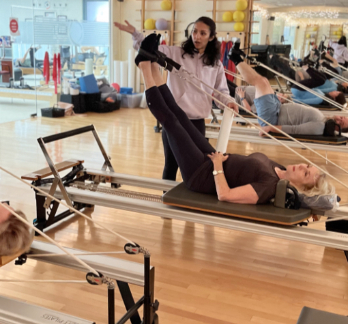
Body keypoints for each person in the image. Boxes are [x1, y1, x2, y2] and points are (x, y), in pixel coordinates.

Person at [136, 59, 334, 205]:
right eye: (307, 165)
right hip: (213, 160)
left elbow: (225, 195)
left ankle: (144, 66)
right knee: (180, 115)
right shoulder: (279, 169)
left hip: (201, 175)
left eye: (305, 173)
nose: (301, 166)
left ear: (300, 187)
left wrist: (217, 166)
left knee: (171, 123)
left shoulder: (270, 186)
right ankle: (153, 66)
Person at [114, 17, 237, 182]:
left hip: (197, 122)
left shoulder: (215, 64)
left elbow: (220, 91)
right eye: (194, 31)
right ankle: (165, 200)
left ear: (211, 37)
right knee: (171, 166)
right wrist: (135, 33)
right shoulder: (177, 53)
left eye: (202, 33)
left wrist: (229, 101)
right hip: (174, 119)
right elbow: (147, 49)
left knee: (199, 166)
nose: (197, 36)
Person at [228, 43, 348, 136]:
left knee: (260, 83)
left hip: (272, 118)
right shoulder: (322, 119)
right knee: (264, 80)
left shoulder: (319, 127)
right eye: (342, 117)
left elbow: (294, 129)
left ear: (337, 129)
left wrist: (270, 128)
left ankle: (235, 57)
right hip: (277, 107)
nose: (339, 118)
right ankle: (236, 56)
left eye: (341, 122)